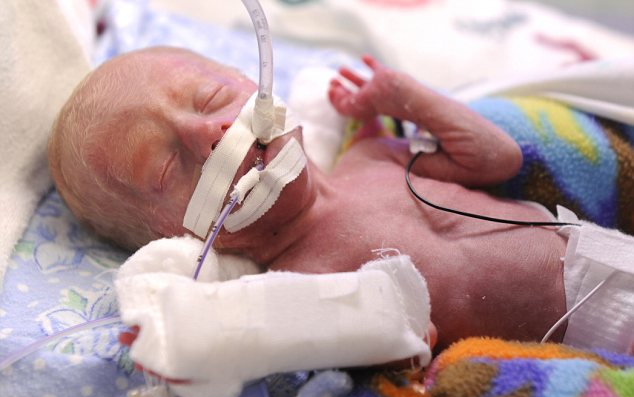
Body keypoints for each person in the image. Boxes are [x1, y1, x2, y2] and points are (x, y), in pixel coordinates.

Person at [48, 46, 633, 352]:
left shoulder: (373, 156)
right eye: (166, 167)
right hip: (591, 340)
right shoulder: (301, 280)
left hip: (606, 250)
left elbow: (497, 159)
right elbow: (408, 343)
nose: (212, 132)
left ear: (257, 82)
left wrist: (408, 98)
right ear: (177, 235)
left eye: (210, 98)